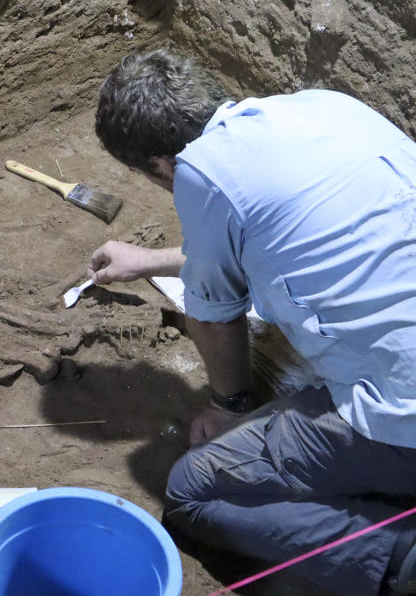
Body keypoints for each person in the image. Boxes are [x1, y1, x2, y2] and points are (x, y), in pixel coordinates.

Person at [90, 49, 416, 595]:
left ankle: (395, 554)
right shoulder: (325, 109)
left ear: (160, 167)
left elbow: (216, 317)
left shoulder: (200, 172)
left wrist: (228, 407)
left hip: (407, 416)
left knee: (194, 491)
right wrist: (148, 261)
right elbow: (267, 238)